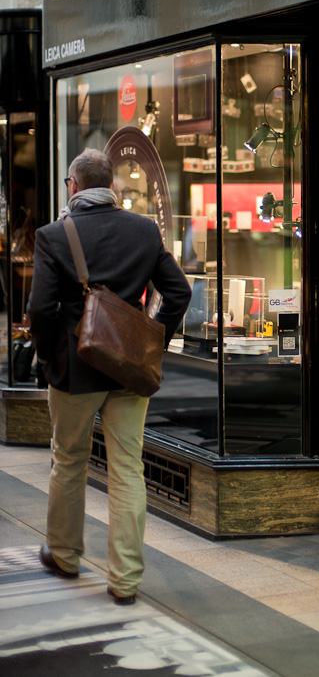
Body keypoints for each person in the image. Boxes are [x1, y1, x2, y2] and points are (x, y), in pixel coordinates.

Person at [29, 148, 191, 605]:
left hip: (74, 370)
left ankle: (63, 554)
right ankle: (125, 581)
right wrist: (152, 339)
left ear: (74, 186)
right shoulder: (143, 229)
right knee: (127, 470)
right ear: (113, 187)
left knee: (69, 460)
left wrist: (49, 359)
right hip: (129, 369)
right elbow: (178, 290)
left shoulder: (53, 235)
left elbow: (40, 310)